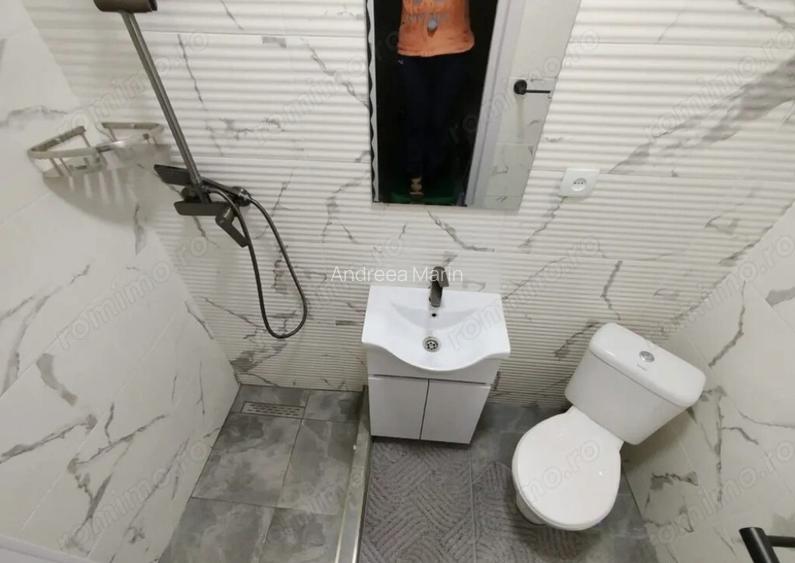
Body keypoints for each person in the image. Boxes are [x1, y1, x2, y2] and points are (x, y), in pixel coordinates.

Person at [397, 0, 474, 199]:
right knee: (415, 116)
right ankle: (414, 174)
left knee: (440, 117)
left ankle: (433, 171)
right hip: (412, 47)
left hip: (453, 46)